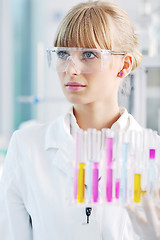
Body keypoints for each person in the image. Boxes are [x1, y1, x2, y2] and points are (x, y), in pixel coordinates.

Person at [0, 0, 155, 239]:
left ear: (123, 66)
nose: (71, 69)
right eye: (63, 53)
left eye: (89, 54)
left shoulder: (153, 154)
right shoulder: (26, 147)